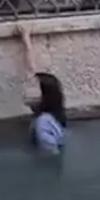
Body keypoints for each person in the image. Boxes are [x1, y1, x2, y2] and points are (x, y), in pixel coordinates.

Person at [16, 24, 66, 155]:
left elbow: (50, 154)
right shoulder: (52, 113)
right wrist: (26, 40)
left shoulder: (43, 124)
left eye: (32, 86)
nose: (27, 87)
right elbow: (31, 69)